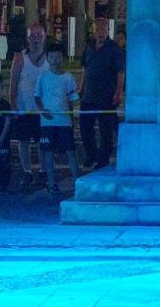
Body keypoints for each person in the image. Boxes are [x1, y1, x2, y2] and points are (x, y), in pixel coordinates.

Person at [34, 43, 80, 196]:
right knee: (48, 153)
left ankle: (77, 182)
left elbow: (72, 100)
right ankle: (51, 183)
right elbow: (37, 97)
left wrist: (72, 119)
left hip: (64, 122)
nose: (55, 60)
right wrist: (42, 111)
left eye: (58, 57)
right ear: (47, 58)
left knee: (70, 151)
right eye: (52, 57)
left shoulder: (69, 77)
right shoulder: (43, 77)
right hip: (47, 123)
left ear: (63, 58)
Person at [80, 20, 124, 170]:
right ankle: (90, 155)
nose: (101, 31)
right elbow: (84, 68)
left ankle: (103, 158)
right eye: (98, 28)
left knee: (106, 129)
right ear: (93, 30)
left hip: (106, 96)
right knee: (85, 126)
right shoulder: (89, 47)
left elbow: (120, 72)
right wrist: (81, 87)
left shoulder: (114, 49)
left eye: (104, 28)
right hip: (89, 95)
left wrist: (118, 92)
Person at [9, 21, 48, 185]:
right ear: (27, 37)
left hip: (43, 110)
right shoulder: (20, 58)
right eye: (32, 35)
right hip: (24, 109)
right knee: (23, 141)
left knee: (43, 143)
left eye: (39, 35)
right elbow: (13, 85)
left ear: (45, 37)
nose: (36, 39)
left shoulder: (50, 58)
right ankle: (26, 171)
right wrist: (14, 106)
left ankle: (44, 170)